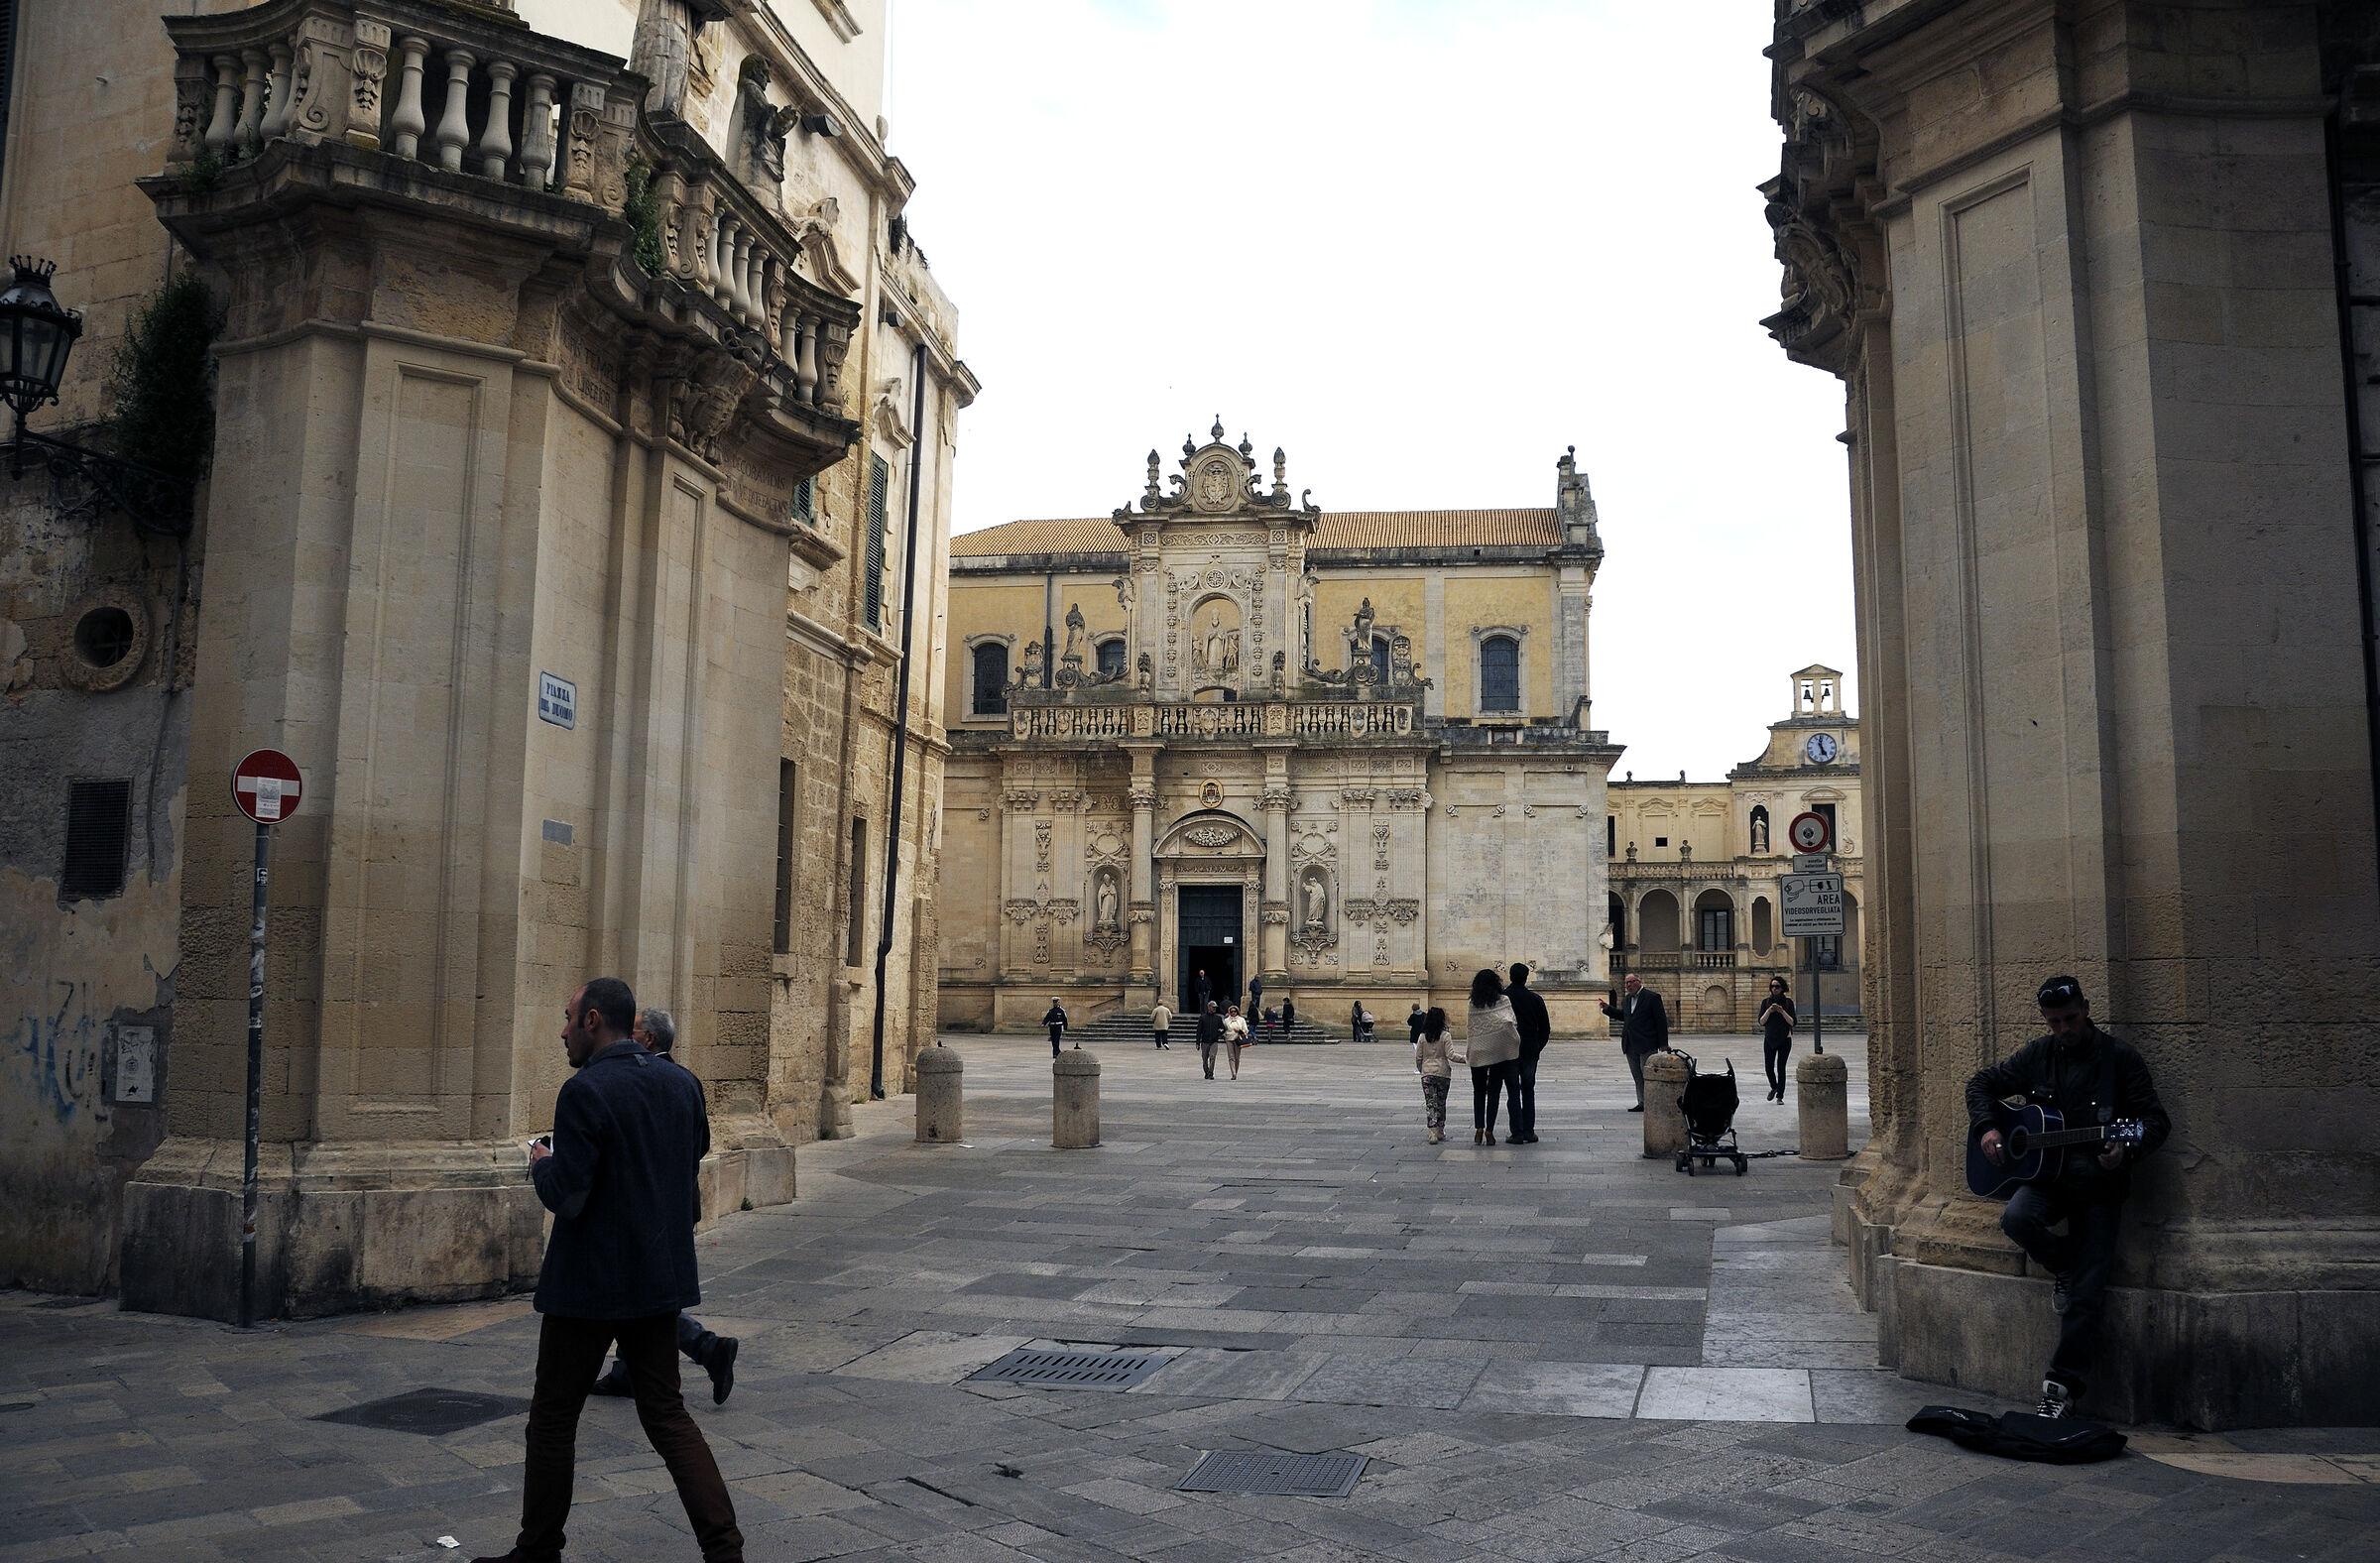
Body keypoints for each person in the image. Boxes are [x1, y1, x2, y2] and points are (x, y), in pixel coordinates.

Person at [471, 978, 742, 1563]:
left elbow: (567, 1196)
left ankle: (539, 1549)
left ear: (594, 1020)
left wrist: (542, 1162)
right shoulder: (683, 1085)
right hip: (657, 1277)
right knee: (668, 1416)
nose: (562, 1031)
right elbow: (685, 1158)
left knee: (552, 1420)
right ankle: (725, 1549)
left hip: (588, 1286)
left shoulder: (584, 1092)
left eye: (568, 1019)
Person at [1968, 974, 2169, 1420]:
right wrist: (1987, 1128)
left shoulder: (2120, 1059)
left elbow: (2154, 1122)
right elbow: (1980, 1084)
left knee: (2085, 1298)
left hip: (2099, 1188)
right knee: (2016, 1220)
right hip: (2048, 1181)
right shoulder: (2037, 1056)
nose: (2064, 1029)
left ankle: (2059, 1390)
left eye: (2071, 1018)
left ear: (2087, 1009)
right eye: (2055, 1021)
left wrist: (2126, 1148)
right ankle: (2065, 1265)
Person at [590, 1009, 738, 1405]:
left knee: (641, 1295)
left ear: (649, 1040)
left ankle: (707, 1347)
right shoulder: (686, 1080)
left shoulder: (643, 1080)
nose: (622, 1036)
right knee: (645, 1290)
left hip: (648, 1208)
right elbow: (701, 1143)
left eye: (631, 1031)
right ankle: (627, 1371)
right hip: (675, 1205)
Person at [1464, 968, 1523, 1145]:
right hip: (1499, 1053)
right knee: (1494, 1092)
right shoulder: (1504, 1000)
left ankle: (1478, 1128)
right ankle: (1489, 1130)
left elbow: (1471, 1030)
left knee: (1478, 1091)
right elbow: (1510, 1022)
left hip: (1477, 1052)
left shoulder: (1473, 1004)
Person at [1600, 973, 1668, 1111]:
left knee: (1648, 1075)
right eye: (1627, 983)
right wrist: (1608, 1009)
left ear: (1639, 981)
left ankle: (1651, 1103)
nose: (1629, 985)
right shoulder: (1627, 999)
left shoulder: (1652, 997)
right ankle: (1642, 1102)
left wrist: (1663, 1044)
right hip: (1630, 1043)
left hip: (1647, 1043)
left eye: (1631, 982)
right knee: (1637, 1075)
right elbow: (1624, 1016)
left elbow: (1661, 1021)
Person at [1506, 963, 1550, 1144]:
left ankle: (1516, 1133)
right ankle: (1529, 1131)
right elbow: (1545, 1029)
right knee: (1528, 1090)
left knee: (1513, 1092)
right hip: (1530, 1051)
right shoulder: (1535, 999)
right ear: (1526, 978)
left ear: (1510, 976)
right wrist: (1536, 1047)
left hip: (1509, 1052)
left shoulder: (1503, 998)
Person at [1414, 1006, 1453, 1143]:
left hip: (1427, 1074)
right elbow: (1451, 1055)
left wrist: (1422, 1069)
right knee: (1441, 1103)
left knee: (1431, 1103)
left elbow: (1418, 1057)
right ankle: (1440, 1130)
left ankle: (1432, 1133)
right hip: (1443, 1074)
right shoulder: (1445, 1036)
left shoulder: (1423, 1037)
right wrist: (1467, 1058)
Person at [1758, 978, 1797, 1102]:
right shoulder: (1766, 1002)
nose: (1774, 989)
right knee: (1768, 1067)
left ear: (1782, 988)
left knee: (1781, 1068)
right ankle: (1774, 1087)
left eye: (1777, 986)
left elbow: (1793, 1022)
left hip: (1785, 1039)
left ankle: (1780, 1096)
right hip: (1769, 1039)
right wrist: (1769, 1011)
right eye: (1772, 986)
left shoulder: (1788, 1003)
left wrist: (1782, 1012)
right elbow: (1761, 1021)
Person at [1196, 1000, 1224, 1080]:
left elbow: (1223, 1028)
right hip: (1204, 1041)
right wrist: (1197, 1042)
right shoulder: (1202, 1018)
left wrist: (1220, 1033)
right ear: (1209, 1007)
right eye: (1213, 1007)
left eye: (1215, 1007)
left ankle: (1211, 1073)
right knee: (1204, 1059)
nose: (1214, 1009)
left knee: (1212, 1057)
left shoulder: (1218, 1018)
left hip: (1214, 1041)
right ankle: (1206, 1072)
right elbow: (1199, 1031)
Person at [1223, 1004, 1250, 1080]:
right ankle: (1233, 1073)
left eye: (1234, 1011)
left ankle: (1236, 1072)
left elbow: (1246, 1029)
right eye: (1231, 1012)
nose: (1233, 1013)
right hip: (1229, 1039)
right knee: (1231, 1057)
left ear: (1237, 1012)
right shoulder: (1226, 1020)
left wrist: (1240, 1031)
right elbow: (1224, 1029)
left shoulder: (1241, 1020)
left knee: (1237, 1058)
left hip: (1238, 1039)